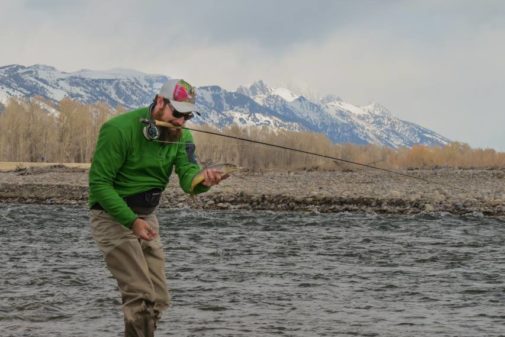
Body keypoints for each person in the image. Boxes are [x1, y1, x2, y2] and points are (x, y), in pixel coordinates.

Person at [88, 78, 227, 337]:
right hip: (111, 215)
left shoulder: (182, 136)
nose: (181, 121)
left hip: (146, 217)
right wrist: (132, 222)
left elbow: (188, 179)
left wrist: (204, 180)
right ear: (159, 102)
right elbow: (99, 184)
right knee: (140, 295)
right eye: (176, 113)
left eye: (187, 116)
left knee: (158, 298)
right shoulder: (118, 130)